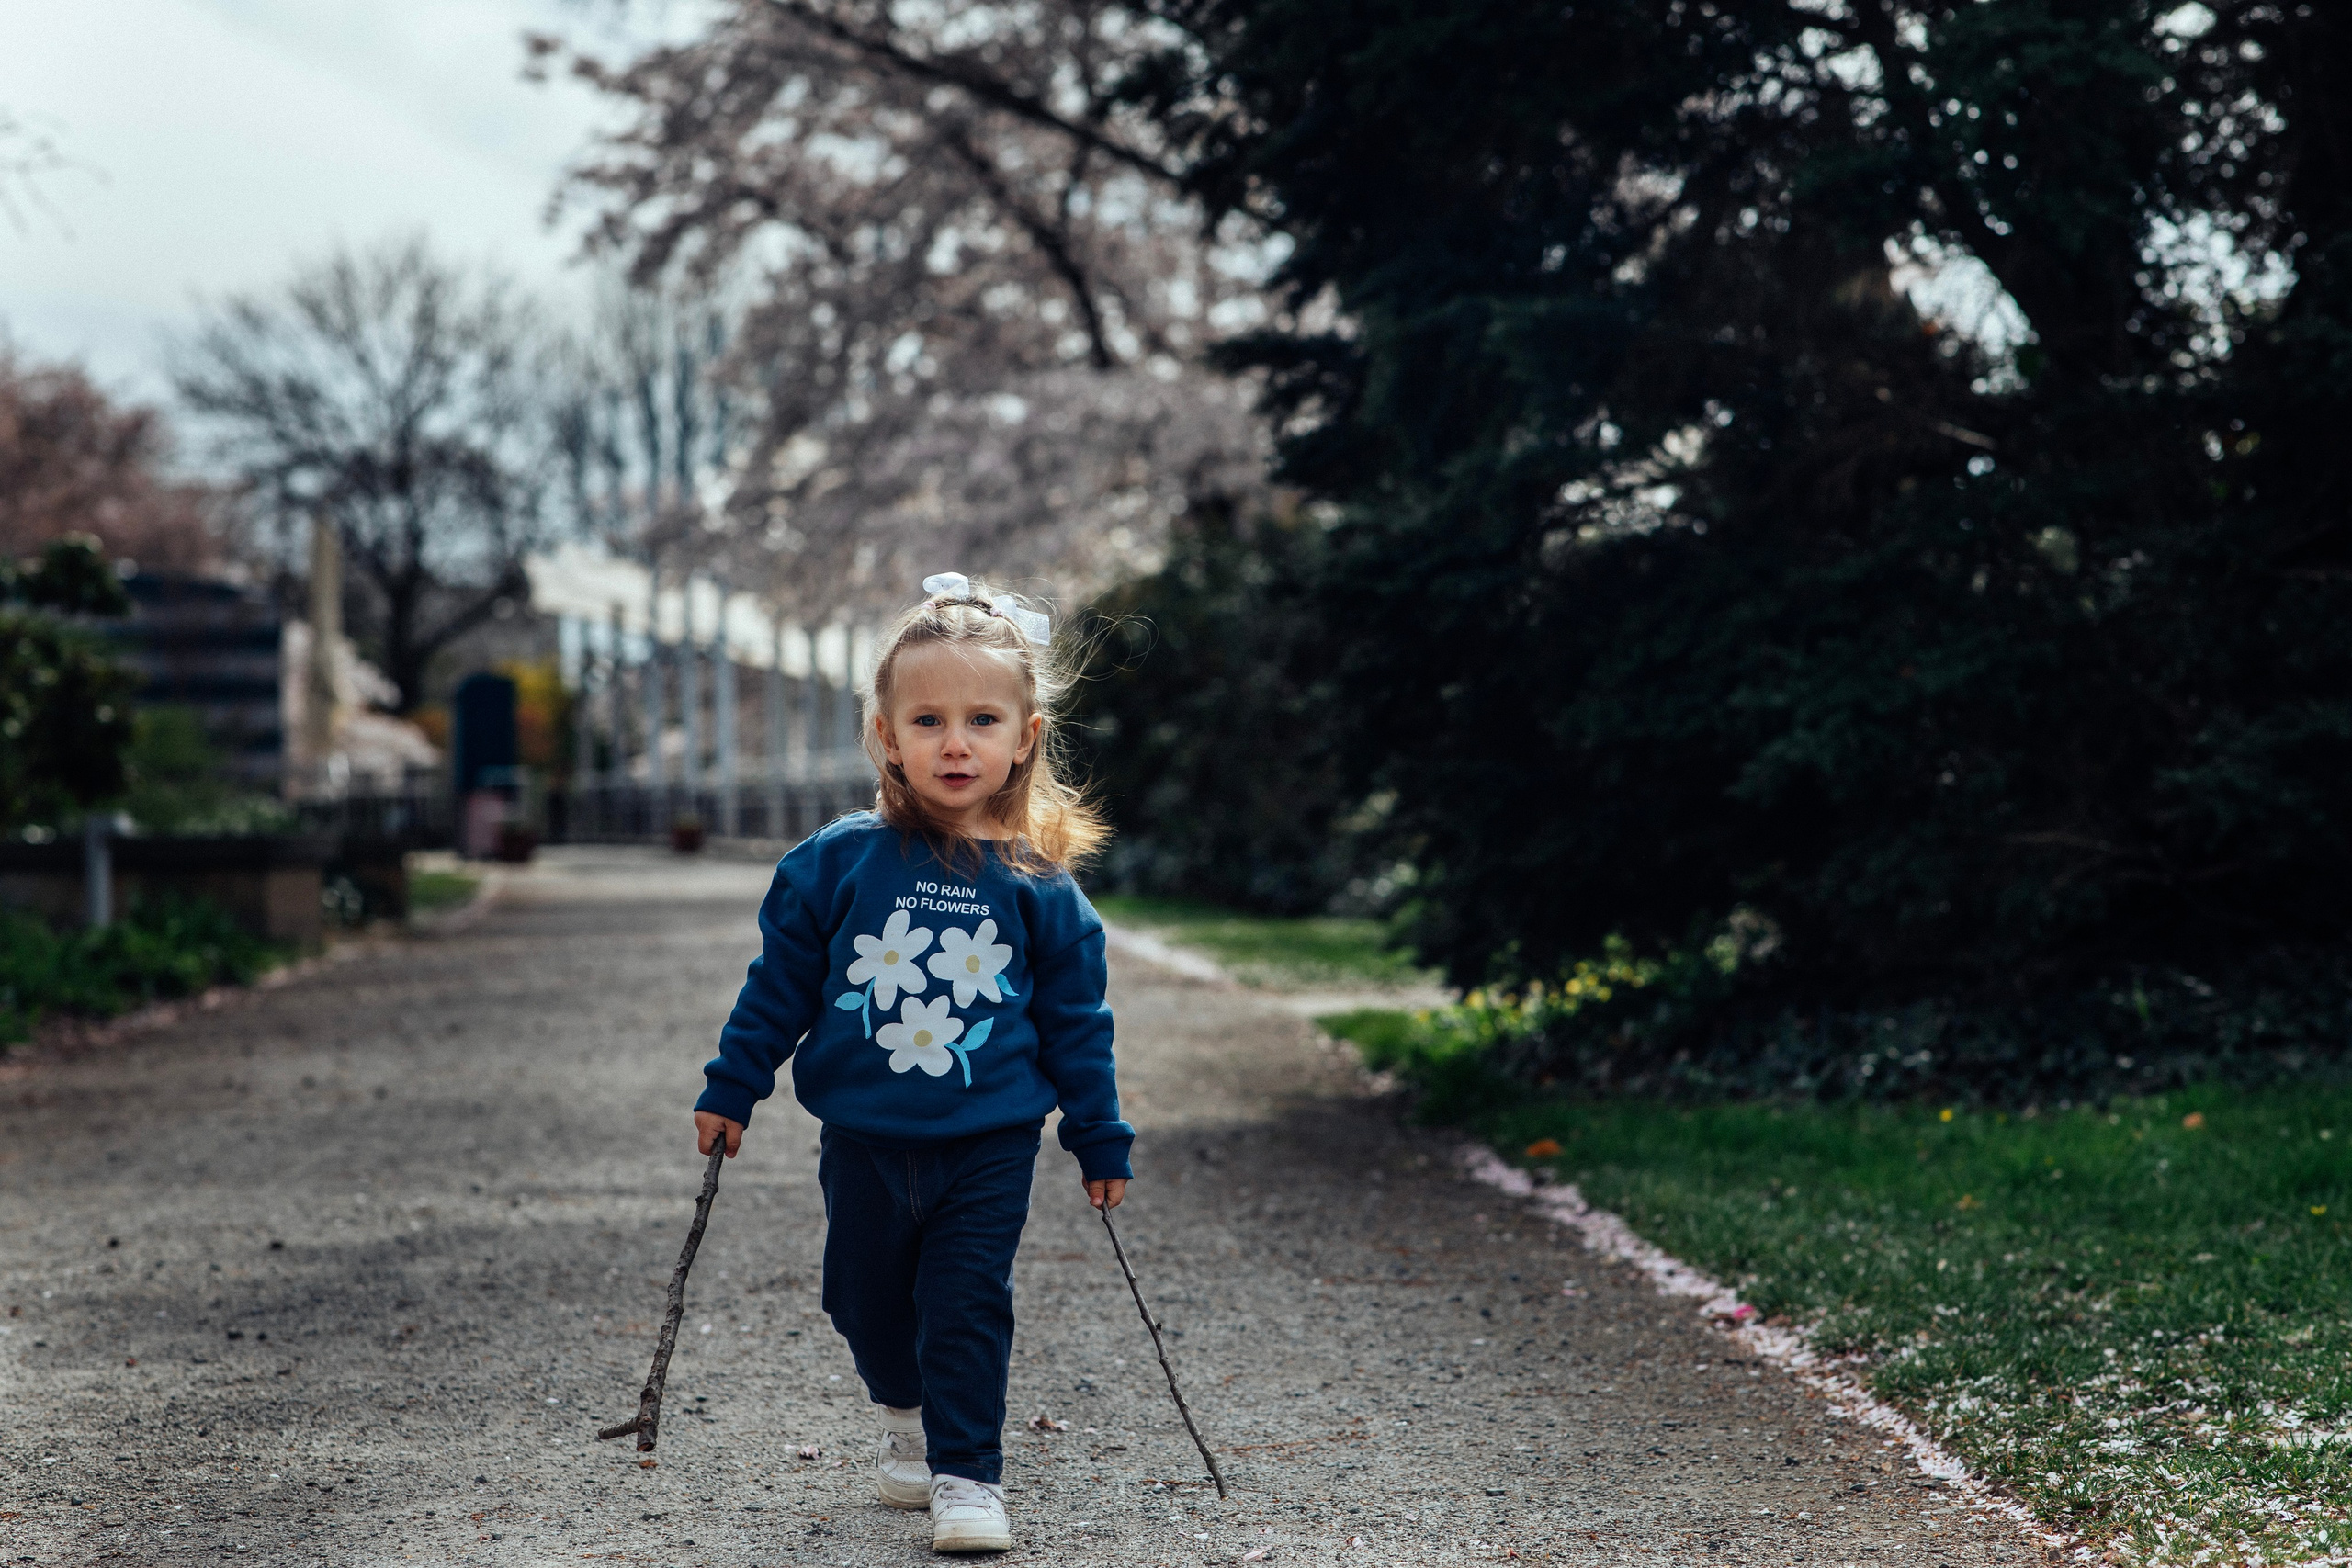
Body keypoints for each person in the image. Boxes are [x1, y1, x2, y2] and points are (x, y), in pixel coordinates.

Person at [692, 571, 1131, 1554]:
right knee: (860, 1297)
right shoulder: (834, 864)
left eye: (981, 719)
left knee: (965, 1303)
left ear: (1024, 736)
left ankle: (967, 1475)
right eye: (927, 719)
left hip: (990, 1140)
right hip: (863, 1138)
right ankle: (905, 1419)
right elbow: (779, 987)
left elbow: (1076, 1025)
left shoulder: (1039, 888)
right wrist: (735, 1085)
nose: (954, 741)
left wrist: (1098, 1134)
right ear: (887, 736)